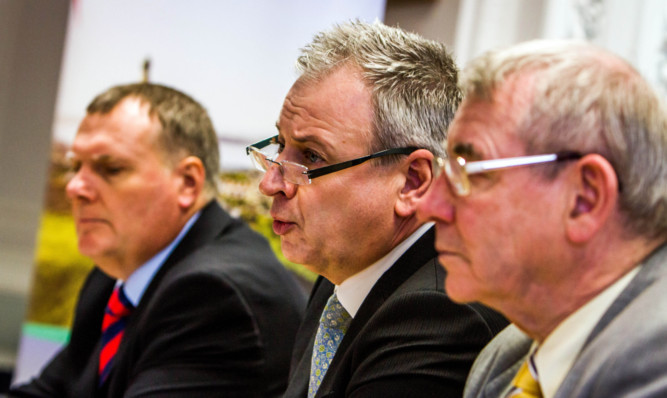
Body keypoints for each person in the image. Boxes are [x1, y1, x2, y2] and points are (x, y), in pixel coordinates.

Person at [247, 20, 508, 398]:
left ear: (412, 182)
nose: (270, 183)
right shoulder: (347, 266)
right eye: (280, 146)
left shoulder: (439, 317)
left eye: (313, 157)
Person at [10, 83, 306, 398]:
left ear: (188, 183)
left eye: (110, 168)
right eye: (76, 166)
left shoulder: (214, 295)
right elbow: (52, 390)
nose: (75, 188)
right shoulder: (118, 272)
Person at [417, 39, 667, 398]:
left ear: (585, 199)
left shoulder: (654, 362)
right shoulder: (503, 360)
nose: (429, 206)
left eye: (468, 172)